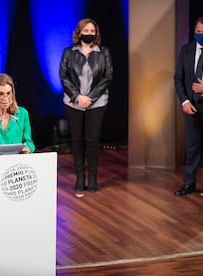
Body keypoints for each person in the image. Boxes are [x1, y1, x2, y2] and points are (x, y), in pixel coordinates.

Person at [59, 18, 113, 193]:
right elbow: (64, 76)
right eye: (86, 31)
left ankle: (93, 177)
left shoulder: (103, 52)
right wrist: (77, 97)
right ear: (79, 32)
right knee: (77, 139)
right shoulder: (69, 52)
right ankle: (80, 176)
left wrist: (90, 97)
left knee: (92, 139)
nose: (89, 34)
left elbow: (107, 76)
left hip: (97, 102)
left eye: (92, 31)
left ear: (96, 33)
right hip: (73, 102)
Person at [174, 16, 203, 198]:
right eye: (198, 32)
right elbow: (178, 78)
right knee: (192, 147)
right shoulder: (186, 50)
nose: (200, 35)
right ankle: (189, 183)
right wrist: (184, 101)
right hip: (191, 106)